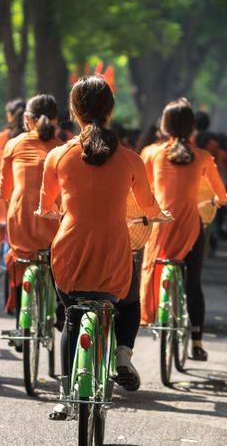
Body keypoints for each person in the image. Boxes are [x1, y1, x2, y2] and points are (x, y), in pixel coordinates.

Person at [38, 76, 164, 419]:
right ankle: (123, 353)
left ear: (74, 112)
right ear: (110, 112)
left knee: (71, 318)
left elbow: (46, 205)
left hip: (68, 252)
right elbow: (149, 207)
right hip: (114, 250)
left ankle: (65, 396)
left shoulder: (57, 157)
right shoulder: (129, 159)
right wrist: (160, 216)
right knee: (127, 301)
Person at [140, 98, 227, 363]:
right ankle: (197, 342)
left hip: (161, 227)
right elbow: (220, 194)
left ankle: (150, 313)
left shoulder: (152, 154)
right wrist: (220, 201)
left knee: (151, 266)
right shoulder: (203, 157)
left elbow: (142, 191)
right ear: (192, 129)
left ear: (164, 127)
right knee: (193, 284)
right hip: (190, 226)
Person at [0, 95, 62, 314]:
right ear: (57, 121)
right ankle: (61, 307)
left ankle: (17, 303)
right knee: (56, 260)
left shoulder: (13, 144)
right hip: (54, 223)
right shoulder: (63, 149)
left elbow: (4, 192)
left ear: (26, 119)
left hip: (21, 221)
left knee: (20, 258)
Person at [0, 98, 25, 246]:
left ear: (9, 115)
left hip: (3, 189)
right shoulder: (32, 139)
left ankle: (1, 246)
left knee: (3, 229)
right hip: (26, 190)